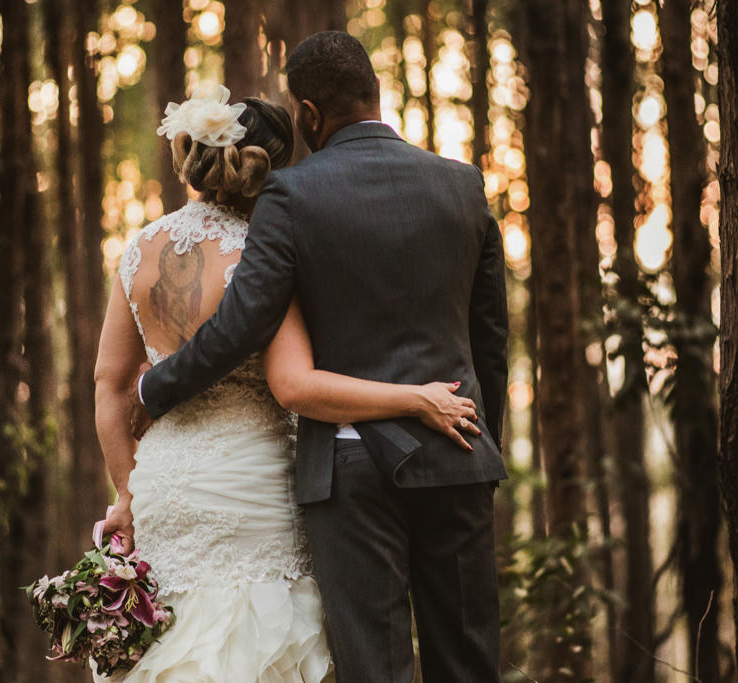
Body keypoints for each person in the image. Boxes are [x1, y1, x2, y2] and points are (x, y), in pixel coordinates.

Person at [94, 85, 482, 682]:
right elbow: (292, 385)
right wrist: (413, 397)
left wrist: (126, 493)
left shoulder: (140, 250)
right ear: (269, 167)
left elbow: (110, 385)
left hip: (165, 490)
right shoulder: (266, 253)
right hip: (256, 486)